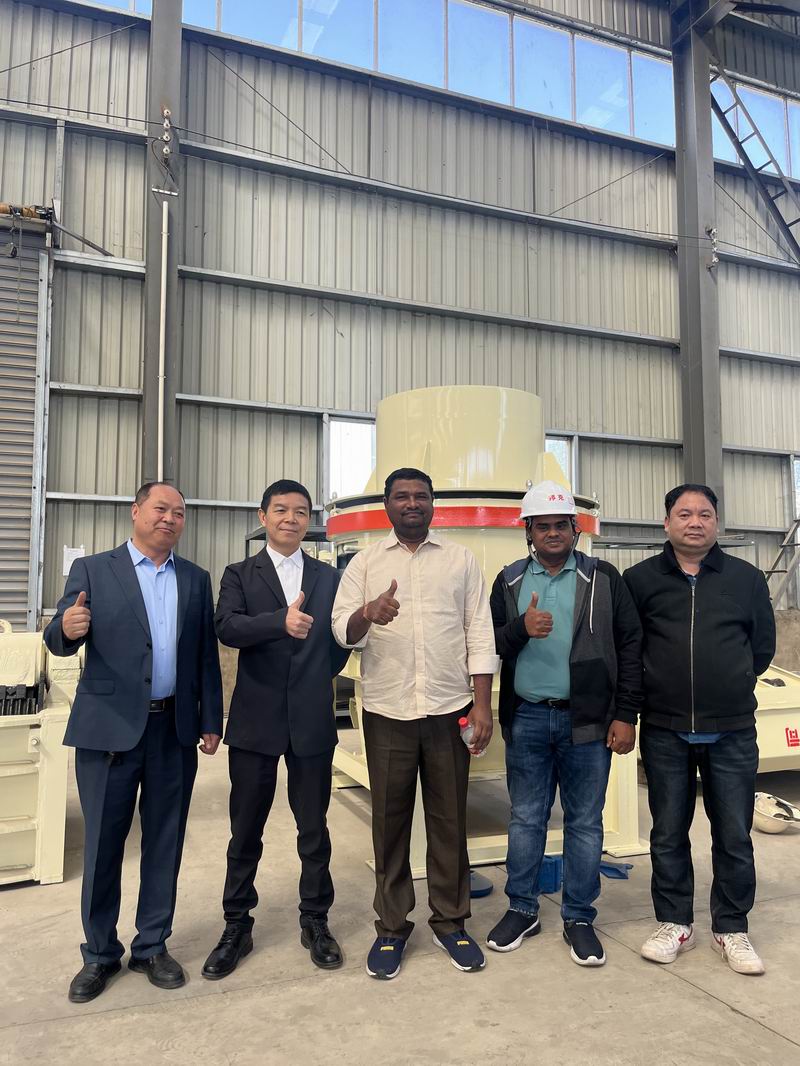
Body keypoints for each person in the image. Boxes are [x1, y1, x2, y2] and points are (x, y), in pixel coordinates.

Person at [44, 482, 223, 1004]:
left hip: (173, 730)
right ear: (136, 512)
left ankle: (151, 946)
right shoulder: (94, 570)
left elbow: (204, 656)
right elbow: (57, 637)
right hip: (108, 732)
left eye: (179, 513)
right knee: (103, 845)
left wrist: (210, 718)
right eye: (160, 509)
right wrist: (67, 627)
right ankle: (99, 953)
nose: (170, 518)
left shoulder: (195, 579)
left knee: (165, 841)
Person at [331, 468, 498, 980]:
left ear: (432, 504)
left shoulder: (460, 560)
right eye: (401, 496)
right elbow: (341, 630)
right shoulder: (365, 562)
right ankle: (391, 926)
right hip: (388, 712)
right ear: (387, 505)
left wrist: (483, 706)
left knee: (449, 822)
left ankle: (451, 921)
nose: (411, 503)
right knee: (389, 823)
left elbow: (479, 631)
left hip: (450, 710)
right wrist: (368, 612)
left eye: (420, 496)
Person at [485, 481, 643, 967]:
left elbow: (631, 646)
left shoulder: (603, 578)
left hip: (589, 721)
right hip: (529, 717)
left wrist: (625, 714)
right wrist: (521, 628)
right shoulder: (509, 580)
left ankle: (578, 916)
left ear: (575, 528)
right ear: (528, 532)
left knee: (585, 822)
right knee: (526, 818)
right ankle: (522, 908)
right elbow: (488, 644)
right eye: (542, 526)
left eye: (560, 525)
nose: (552, 533)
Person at [625, 484, 776, 976]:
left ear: (717, 523)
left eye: (705, 514)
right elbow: (630, 649)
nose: (695, 522)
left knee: (733, 833)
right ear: (666, 523)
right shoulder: (640, 580)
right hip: (664, 728)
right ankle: (675, 923)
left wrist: (727, 685)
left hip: (732, 730)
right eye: (685, 513)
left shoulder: (746, 579)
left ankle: (731, 927)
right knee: (668, 831)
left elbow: (761, 648)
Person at [202, 480, 351, 980]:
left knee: (314, 829)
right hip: (255, 720)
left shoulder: (328, 578)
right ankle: (236, 925)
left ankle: (316, 920)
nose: (291, 518)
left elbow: (338, 642)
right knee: (246, 829)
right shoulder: (240, 574)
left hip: (311, 719)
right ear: (262, 516)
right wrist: (277, 623)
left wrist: (315, 675)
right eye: (281, 510)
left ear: (310, 521)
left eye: (301, 511)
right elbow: (226, 627)